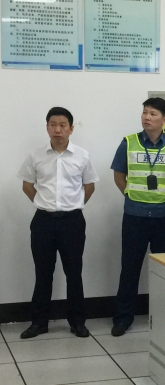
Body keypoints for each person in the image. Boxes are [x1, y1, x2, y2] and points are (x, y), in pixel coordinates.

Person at [17, 107, 99, 339]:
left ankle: (77, 322)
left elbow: (90, 186)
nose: (57, 129)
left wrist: (73, 205)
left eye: (63, 125)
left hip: (72, 221)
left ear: (71, 129)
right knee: (43, 273)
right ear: (47, 128)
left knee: (74, 273)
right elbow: (27, 185)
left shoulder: (82, 155)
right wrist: (44, 203)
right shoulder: (36, 155)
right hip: (43, 221)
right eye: (53, 125)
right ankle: (39, 322)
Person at [111, 97, 165, 336]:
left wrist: (164, 193)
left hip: (163, 216)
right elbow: (119, 175)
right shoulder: (129, 142)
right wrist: (131, 195)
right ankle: (123, 318)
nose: (147, 117)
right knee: (129, 268)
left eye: (153, 114)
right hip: (135, 215)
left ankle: (163, 317)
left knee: (164, 268)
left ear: (164, 119)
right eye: (144, 113)